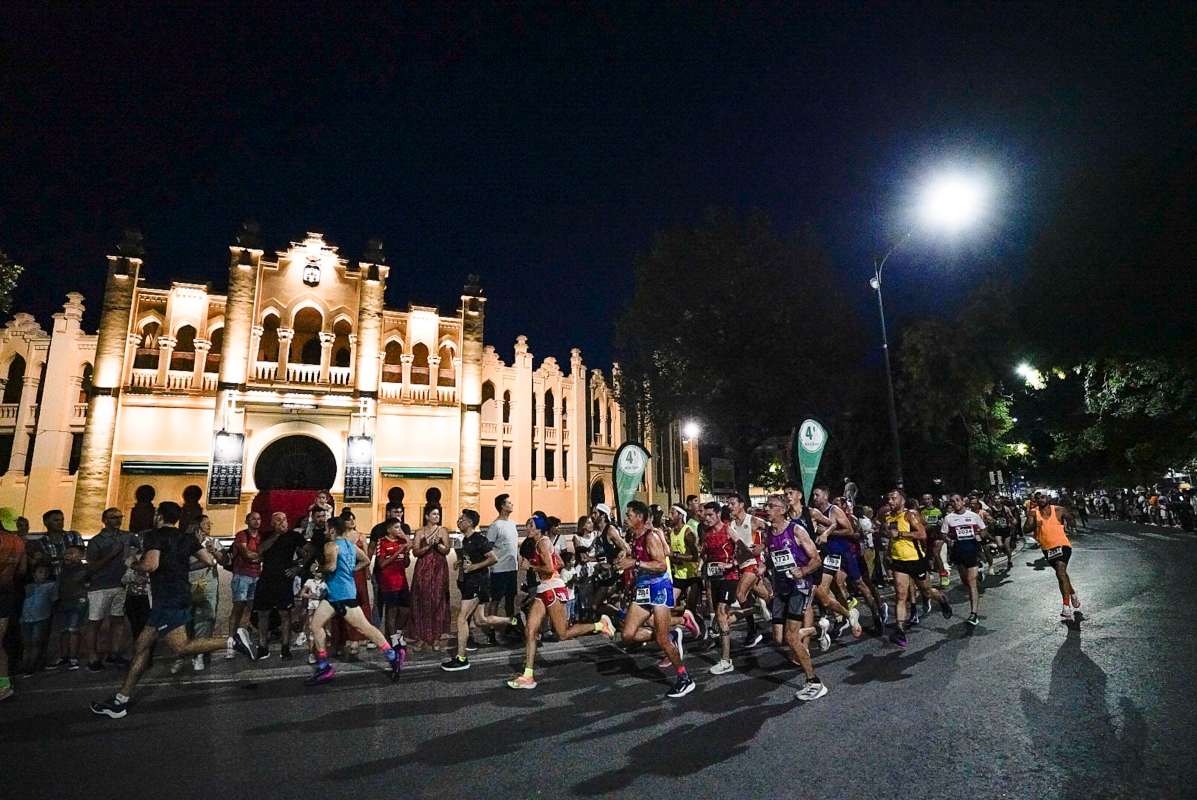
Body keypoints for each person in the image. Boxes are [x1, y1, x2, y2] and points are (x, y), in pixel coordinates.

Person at [90, 502, 244, 718]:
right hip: (179, 593)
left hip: (167, 598)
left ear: (159, 516)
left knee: (180, 646)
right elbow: (209, 560)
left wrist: (133, 563)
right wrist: (178, 566)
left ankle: (231, 641)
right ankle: (120, 700)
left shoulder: (156, 536)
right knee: (141, 647)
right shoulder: (187, 537)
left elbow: (150, 565)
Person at [505, 513, 615, 690]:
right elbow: (559, 563)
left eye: (531, 525)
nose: (528, 528)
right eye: (527, 525)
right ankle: (528, 675)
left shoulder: (543, 542)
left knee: (562, 634)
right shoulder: (539, 542)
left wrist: (530, 567)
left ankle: (600, 625)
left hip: (553, 589)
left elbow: (549, 568)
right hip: (543, 589)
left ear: (540, 527)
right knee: (530, 630)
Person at [304, 516, 401, 685]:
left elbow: (332, 566)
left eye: (327, 529)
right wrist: (350, 571)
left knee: (365, 628)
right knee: (316, 625)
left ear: (333, 530)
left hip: (341, 595)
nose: (326, 531)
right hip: (335, 594)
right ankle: (323, 666)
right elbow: (366, 561)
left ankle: (393, 656)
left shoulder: (330, 545)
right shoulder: (350, 545)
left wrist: (319, 569)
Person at [611, 501, 693, 698]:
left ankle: (684, 678)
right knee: (627, 635)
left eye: (629, 515)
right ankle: (671, 636)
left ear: (640, 517)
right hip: (643, 588)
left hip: (658, 588)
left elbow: (661, 565)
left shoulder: (651, 536)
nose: (626, 518)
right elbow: (637, 556)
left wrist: (636, 562)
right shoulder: (635, 536)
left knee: (661, 639)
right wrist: (625, 557)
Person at [763, 494, 827, 700]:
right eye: (767, 505)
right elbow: (773, 560)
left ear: (782, 510)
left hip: (799, 587)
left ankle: (813, 681)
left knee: (791, 637)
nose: (767, 509)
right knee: (779, 638)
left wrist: (803, 571)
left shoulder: (796, 530)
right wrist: (764, 567)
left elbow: (816, 559)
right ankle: (818, 628)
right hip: (781, 588)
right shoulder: (769, 533)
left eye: (771, 506)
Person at [442, 509, 512, 671]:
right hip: (471, 582)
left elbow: (493, 558)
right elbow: (471, 558)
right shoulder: (465, 541)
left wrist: (474, 567)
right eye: (459, 518)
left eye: (463, 519)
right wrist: (460, 563)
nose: (459, 521)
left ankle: (461, 658)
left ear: (471, 523)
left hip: (477, 583)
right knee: (480, 620)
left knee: (461, 619)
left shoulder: (479, 539)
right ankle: (512, 621)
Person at [884, 489, 953, 647]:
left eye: (893, 498)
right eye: (888, 499)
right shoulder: (889, 516)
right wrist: (888, 553)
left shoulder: (910, 515)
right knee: (901, 595)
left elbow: (922, 534)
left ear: (902, 499)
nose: (890, 501)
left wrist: (900, 534)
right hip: (898, 561)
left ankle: (941, 599)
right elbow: (892, 538)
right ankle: (900, 630)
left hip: (915, 560)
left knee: (926, 591)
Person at [811, 486, 873, 637]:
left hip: (844, 553)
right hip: (829, 555)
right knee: (833, 587)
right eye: (813, 495)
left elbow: (849, 531)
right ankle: (844, 618)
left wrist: (828, 533)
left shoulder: (834, 511)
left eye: (817, 495)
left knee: (859, 583)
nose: (814, 498)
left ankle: (875, 612)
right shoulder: (814, 513)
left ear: (825, 496)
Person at [84, 507, 133, 672]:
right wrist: (111, 555)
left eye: (120, 517)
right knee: (95, 621)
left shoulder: (126, 536)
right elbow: (91, 567)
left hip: (120, 584)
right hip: (100, 586)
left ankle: (115, 652)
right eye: (113, 517)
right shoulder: (96, 541)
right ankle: (92, 655)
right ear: (104, 520)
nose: (117, 520)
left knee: (118, 620)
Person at [253, 511, 304, 659]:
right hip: (266, 578)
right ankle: (262, 646)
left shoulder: (294, 536)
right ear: (272, 523)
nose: (282, 522)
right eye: (278, 520)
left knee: (285, 613)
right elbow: (260, 550)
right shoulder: (266, 535)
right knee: (263, 613)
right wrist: (276, 535)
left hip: (284, 580)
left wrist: (299, 567)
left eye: (284, 519)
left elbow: (307, 551)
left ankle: (285, 647)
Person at [1024, 492, 1081, 620]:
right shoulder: (1033, 512)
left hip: (1063, 545)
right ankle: (1072, 593)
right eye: (1037, 498)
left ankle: (1066, 607)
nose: (1040, 500)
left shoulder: (1059, 509)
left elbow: (1071, 519)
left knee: (1060, 573)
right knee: (1062, 575)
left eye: (1043, 497)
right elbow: (1025, 529)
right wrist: (1033, 523)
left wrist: (1072, 524)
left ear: (1048, 498)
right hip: (1047, 549)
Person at [726, 493, 770, 649]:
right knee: (766, 596)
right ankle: (779, 617)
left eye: (732, 503)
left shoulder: (753, 520)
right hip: (741, 564)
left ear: (741, 504)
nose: (730, 507)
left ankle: (753, 630)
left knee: (740, 594)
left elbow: (773, 529)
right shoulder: (730, 525)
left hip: (754, 562)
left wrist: (762, 547)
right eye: (728, 504)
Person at [410, 504, 451, 651]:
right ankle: (421, 637)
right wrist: (427, 546)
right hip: (423, 568)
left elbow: (446, 550)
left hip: (439, 568)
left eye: (438, 514)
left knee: (438, 601)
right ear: (427, 516)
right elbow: (415, 552)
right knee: (421, 600)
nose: (436, 517)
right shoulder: (420, 532)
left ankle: (436, 637)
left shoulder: (443, 531)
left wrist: (438, 545)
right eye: (434, 514)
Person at [942, 494, 985, 627]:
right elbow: (943, 533)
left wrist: (979, 535)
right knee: (966, 581)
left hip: (972, 551)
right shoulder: (948, 518)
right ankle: (979, 576)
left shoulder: (973, 516)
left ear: (962, 502)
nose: (955, 503)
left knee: (971, 582)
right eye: (952, 502)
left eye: (957, 500)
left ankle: (973, 614)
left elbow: (983, 529)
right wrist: (948, 540)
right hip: (958, 553)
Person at [484, 494, 520, 644]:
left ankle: (510, 627)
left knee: (510, 599)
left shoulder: (512, 524)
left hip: (512, 569)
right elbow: (487, 547)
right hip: (499, 569)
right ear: (502, 506)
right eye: (509, 503)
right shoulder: (495, 526)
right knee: (496, 600)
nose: (512, 505)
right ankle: (491, 630)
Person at [227, 511, 263, 659]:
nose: (257, 521)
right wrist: (258, 556)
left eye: (259, 518)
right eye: (253, 519)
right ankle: (230, 641)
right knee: (238, 607)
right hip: (242, 575)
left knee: (250, 608)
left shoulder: (261, 537)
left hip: (256, 576)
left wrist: (255, 557)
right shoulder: (242, 535)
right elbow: (246, 554)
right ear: (247, 521)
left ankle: (242, 637)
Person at [375, 518, 412, 649]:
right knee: (391, 610)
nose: (399, 530)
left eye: (400, 527)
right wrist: (398, 552)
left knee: (405, 610)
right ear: (389, 529)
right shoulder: (382, 542)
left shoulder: (401, 542)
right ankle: (392, 638)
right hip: (389, 582)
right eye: (396, 527)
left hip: (402, 581)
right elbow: (382, 564)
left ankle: (398, 632)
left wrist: (406, 551)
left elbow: (406, 564)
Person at [53, 544, 88, 670]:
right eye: (67, 552)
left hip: (78, 601)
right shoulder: (62, 569)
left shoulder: (84, 569)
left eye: (72, 553)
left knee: (73, 629)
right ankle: (63, 656)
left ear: (80, 556)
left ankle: (73, 658)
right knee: (63, 630)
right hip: (63, 601)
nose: (68, 555)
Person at [18, 563, 56, 676]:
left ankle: (32, 665)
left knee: (36, 642)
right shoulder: (28, 587)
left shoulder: (51, 586)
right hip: (26, 619)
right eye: (40, 572)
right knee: (27, 643)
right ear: (34, 574)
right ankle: (26, 664)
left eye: (45, 573)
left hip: (42, 618)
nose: (42, 575)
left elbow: (54, 601)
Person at [667, 504, 702, 616]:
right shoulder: (671, 532)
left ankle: (700, 628)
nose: (669, 516)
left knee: (690, 609)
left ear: (681, 516)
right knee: (668, 606)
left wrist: (675, 556)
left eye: (672, 513)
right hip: (678, 576)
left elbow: (695, 557)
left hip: (692, 576)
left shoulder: (688, 532)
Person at [920, 494, 950, 588]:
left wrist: (941, 526)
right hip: (927, 537)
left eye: (928, 499)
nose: (927, 501)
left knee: (936, 554)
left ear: (932, 499)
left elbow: (944, 523)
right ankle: (929, 576)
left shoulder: (938, 510)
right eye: (925, 499)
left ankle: (944, 576)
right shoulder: (921, 512)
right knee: (927, 556)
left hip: (938, 536)